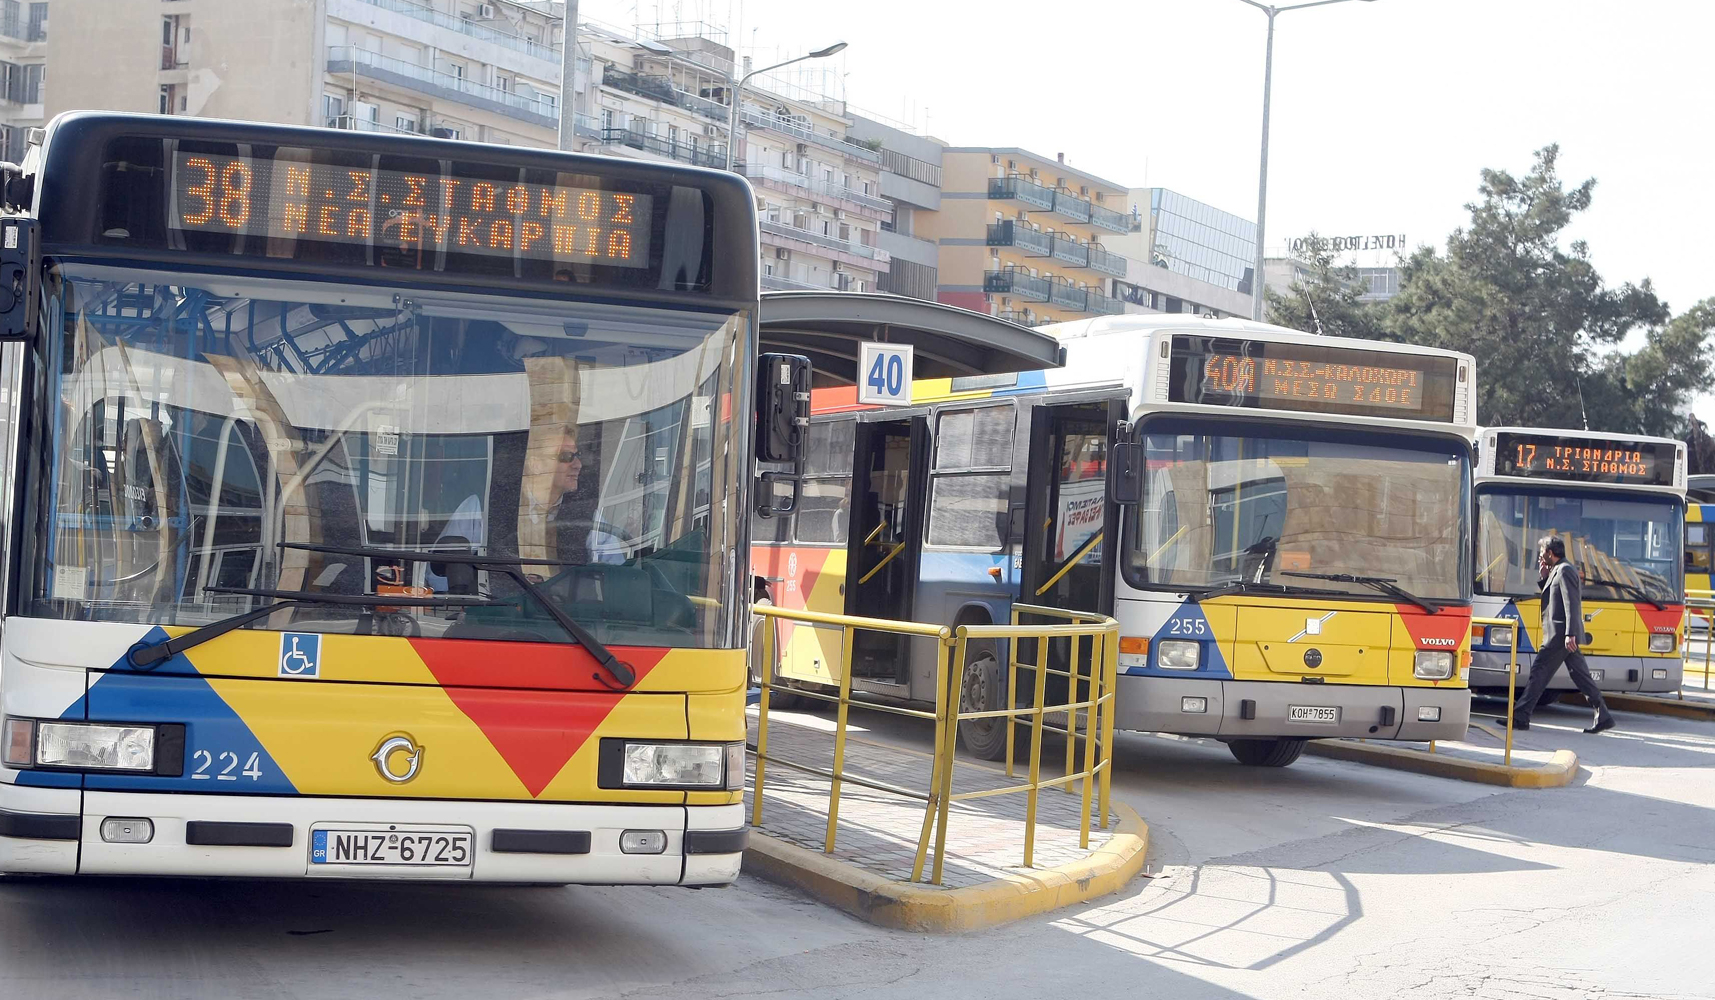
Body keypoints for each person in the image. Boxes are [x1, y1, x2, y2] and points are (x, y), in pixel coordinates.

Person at [1500, 535, 1616, 734]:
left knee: (1539, 672)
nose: (1540, 556)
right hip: (1561, 634)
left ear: (1550, 553)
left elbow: (1572, 603)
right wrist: (1544, 576)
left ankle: (1521, 716)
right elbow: (1554, 596)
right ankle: (1603, 715)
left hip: (1560, 635)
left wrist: (1570, 633)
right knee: (1580, 676)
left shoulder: (1565, 570)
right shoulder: (1557, 570)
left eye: (1542, 552)